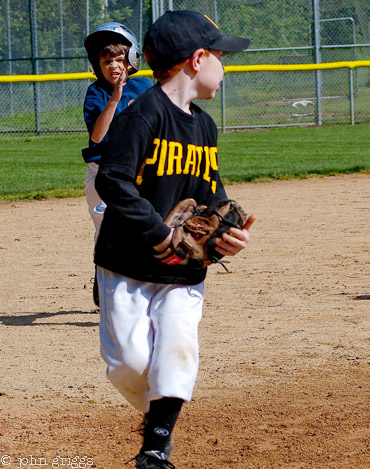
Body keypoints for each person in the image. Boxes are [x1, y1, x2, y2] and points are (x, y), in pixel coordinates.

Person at [93, 10, 252, 468]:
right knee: (127, 363)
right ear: (197, 59)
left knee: (177, 346)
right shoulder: (142, 115)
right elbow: (113, 181)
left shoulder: (205, 126)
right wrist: (159, 231)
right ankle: (158, 413)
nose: (226, 66)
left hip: (184, 272)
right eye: (221, 56)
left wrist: (227, 236)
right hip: (127, 263)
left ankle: (156, 446)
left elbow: (212, 198)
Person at [83, 22, 153, 306]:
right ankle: (105, 281)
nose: (114, 65)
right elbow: (97, 136)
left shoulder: (144, 87)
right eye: (106, 60)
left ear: (133, 59)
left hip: (138, 172)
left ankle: (140, 289)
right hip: (104, 173)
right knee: (108, 232)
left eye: (120, 59)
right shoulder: (97, 92)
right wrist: (115, 97)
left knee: (143, 230)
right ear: (97, 66)